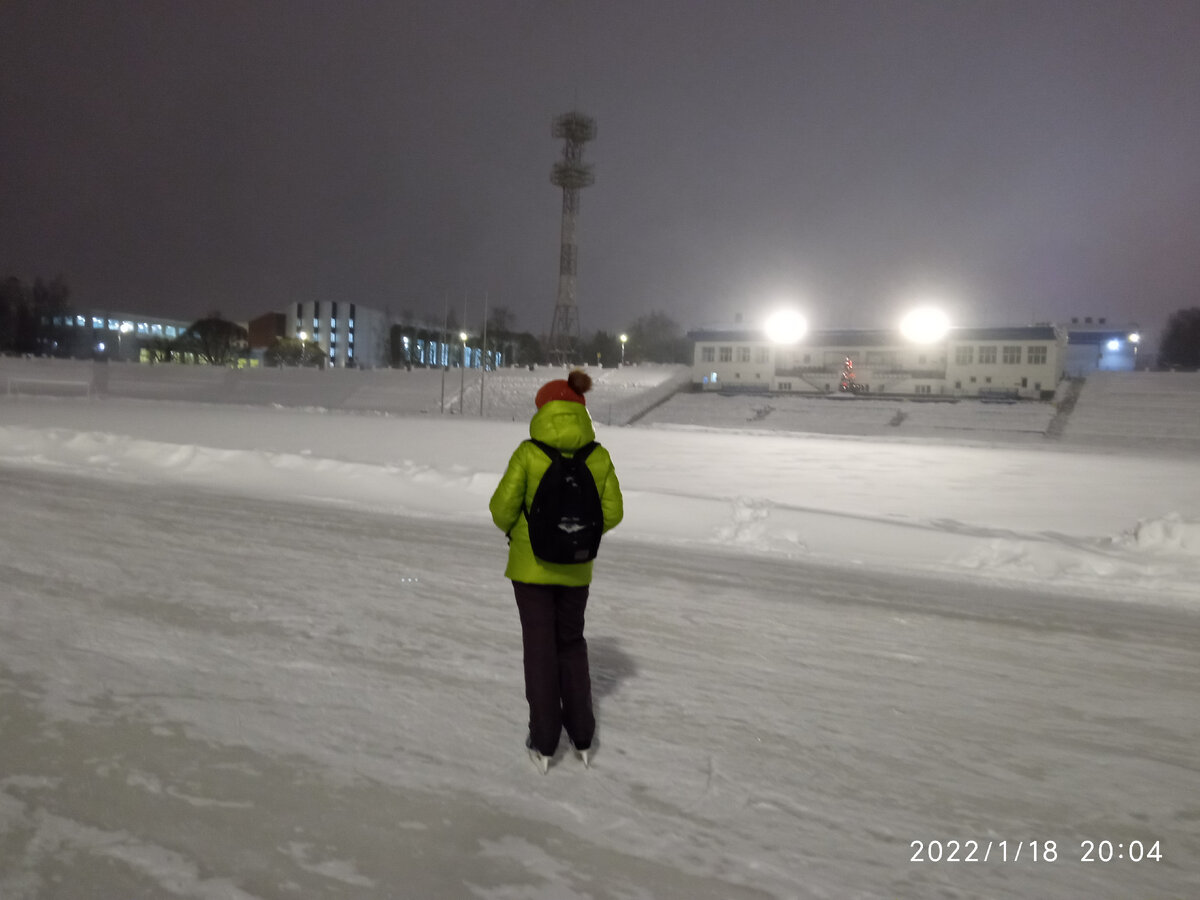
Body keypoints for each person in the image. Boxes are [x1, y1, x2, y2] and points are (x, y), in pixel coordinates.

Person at [489, 369, 623, 772]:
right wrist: (577, 534)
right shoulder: (598, 456)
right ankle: (582, 736)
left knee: (539, 649)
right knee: (571, 643)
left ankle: (544, 741)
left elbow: (501, 509)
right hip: (577, 569)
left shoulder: (528, 453)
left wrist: (522, 531)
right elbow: (613, 512)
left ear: (543, 409)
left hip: (530, 569)